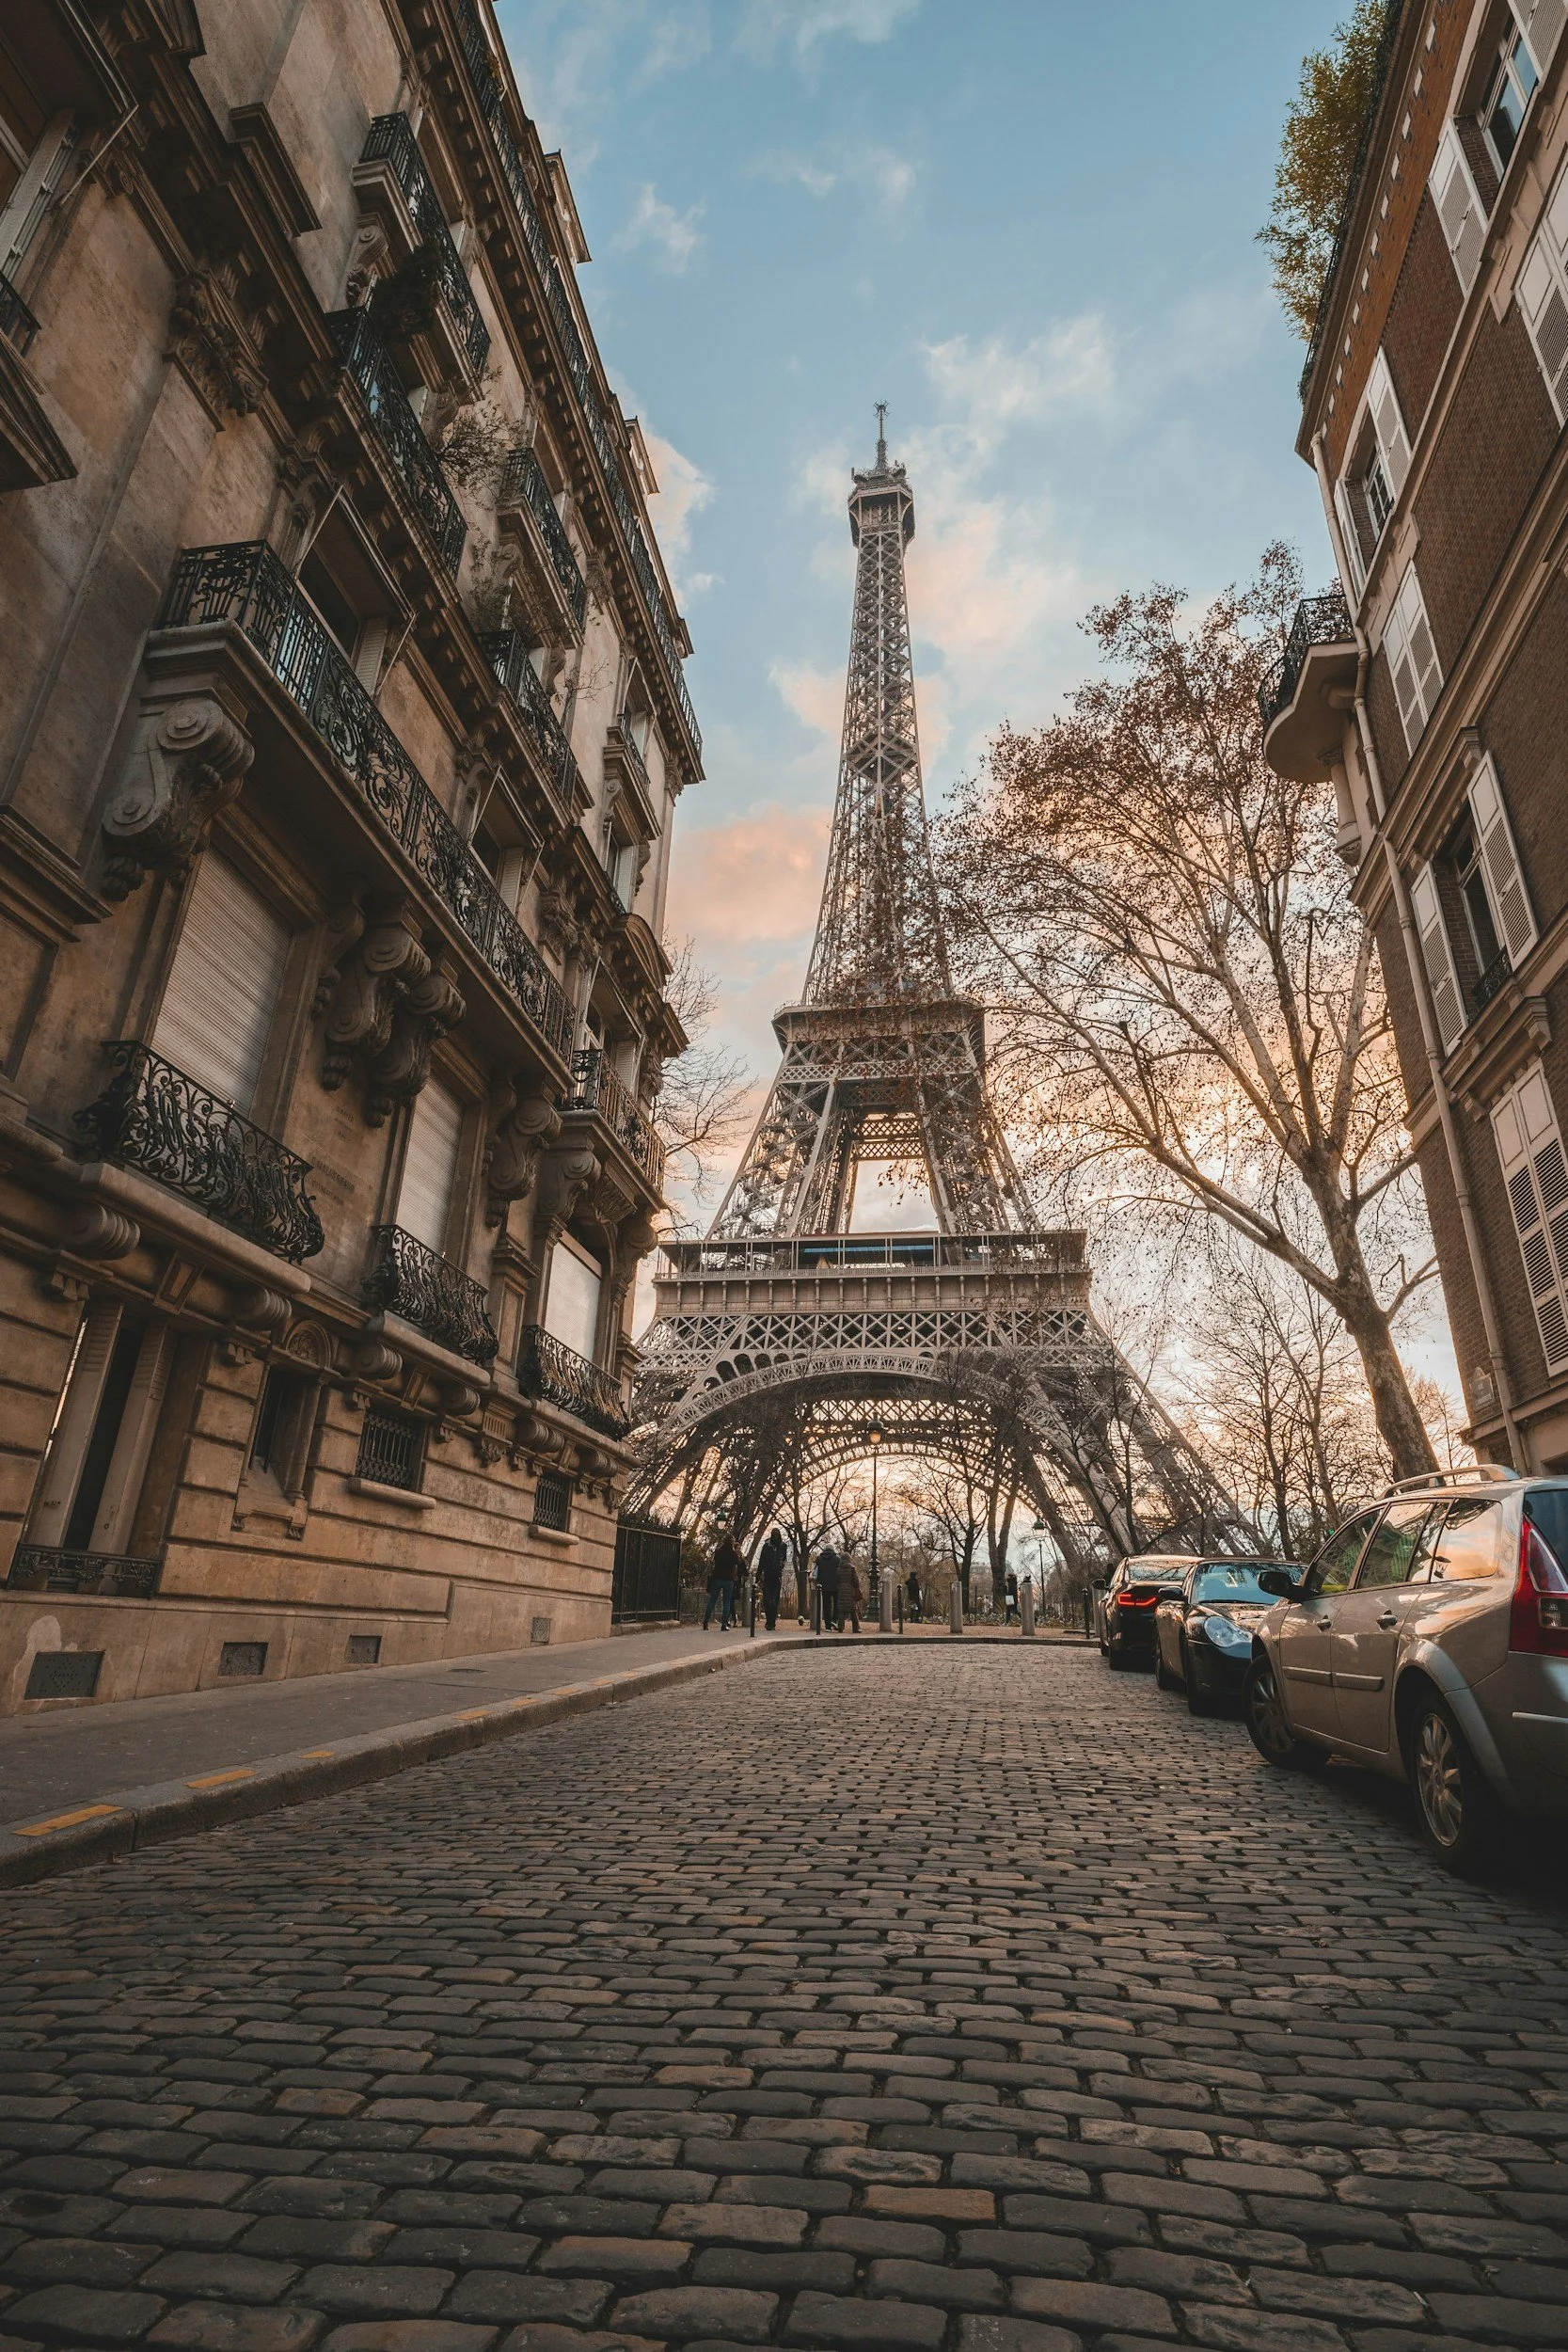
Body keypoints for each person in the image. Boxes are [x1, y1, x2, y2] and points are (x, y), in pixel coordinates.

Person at [704, 1533, 742, 1629]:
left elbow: (714, 1561)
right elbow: (738, 1563)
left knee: (712, 1601)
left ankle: (705, 1622)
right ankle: (724, 1624)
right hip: (728, 1580)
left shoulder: (719, 1551)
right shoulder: (733, 1553)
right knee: (727, 1602)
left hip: (717, 1578)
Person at [759, 1527, 787, 1630]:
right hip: (772, 1575)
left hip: (773, 1575)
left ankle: (771, 1622)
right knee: (770, 1599)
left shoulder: (779, 1546)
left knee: (771, 1599)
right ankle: (770, 1622)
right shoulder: (770, 1546)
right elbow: (762, 1562)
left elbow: (784, 1559)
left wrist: (781, 1565)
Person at [814, 1540, 842, 1631]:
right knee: (836, 1604)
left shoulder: (819, 1559)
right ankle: (834, 1620)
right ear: (833, 1550)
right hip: (835, 1585)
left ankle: (827, 1626)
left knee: (826, 1605)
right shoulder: (837, 1559)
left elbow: (816, 1572)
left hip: (824, 1585)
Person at [839, 1552, 863, 1634]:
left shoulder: (839, 1569)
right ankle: (856, 1628)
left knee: (841, 1609)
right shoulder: (852, 1569)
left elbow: (837, 1580)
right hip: (851, 1590)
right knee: (853, 1610)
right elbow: (856, 1582)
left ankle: (840, 1628)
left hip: (841, 1591)